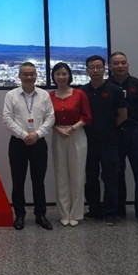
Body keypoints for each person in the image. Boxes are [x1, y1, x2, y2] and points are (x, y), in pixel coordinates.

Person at [2, 62, 55, 231]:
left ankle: (41, 215)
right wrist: (24, 135)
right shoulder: (11, 95)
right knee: (18, 180)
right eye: (25, 74)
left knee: (38, 180)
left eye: (32, 74)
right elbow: (7, 119)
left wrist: (37, 134)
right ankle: (19, 215)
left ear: (36, 75)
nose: (29, 77)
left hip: (39, 143)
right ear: (19, 76)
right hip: (18, 143)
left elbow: (50, 118)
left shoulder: (44, 95)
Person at [108, 51, 138, 229]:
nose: (120, 66)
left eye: (123, 62)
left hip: (135, 132)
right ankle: (118, 210)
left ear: (128, 65)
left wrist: (136, 123)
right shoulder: (106, 85)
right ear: (110, 66)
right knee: (116, 174)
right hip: (114, 134)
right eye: (116, 63)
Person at [82, 55, 127, 226]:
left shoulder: (114, 90)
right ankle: (94, 210)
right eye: (92, 67)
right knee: (90, 178)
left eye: (98, 67)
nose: (95, 70)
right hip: (88, 142)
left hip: (110, 141)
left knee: (110, 178)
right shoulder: (83, 91)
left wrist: (108, 128)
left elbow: (123, 115)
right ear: (87, 70)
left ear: (104, 68)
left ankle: (111, 212)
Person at [49, 62, 91, 227]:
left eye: (64, 74)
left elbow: (87, 116)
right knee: (61, 175)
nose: (61, 77)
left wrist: (73, 128)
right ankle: (63, 213)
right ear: (53, 76)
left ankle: (76, 213)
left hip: (77, 134)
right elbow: (45, 118)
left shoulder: (79, 94)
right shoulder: (49, 96)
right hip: (58, 134)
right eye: (58, 74)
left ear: (69, 76)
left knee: (78, 174)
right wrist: (57, 129)